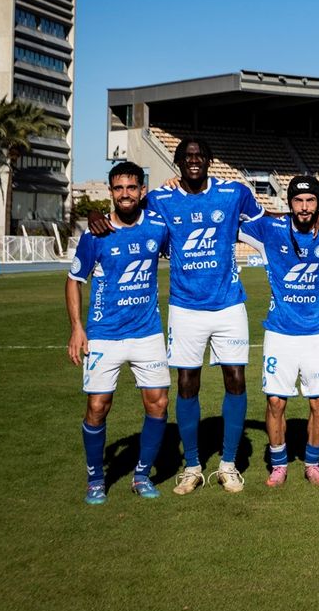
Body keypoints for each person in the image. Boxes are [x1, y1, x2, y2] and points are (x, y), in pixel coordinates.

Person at [87, 138, 269, 495]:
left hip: (229, 303)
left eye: (200, 155)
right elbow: (125, 212)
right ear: (177, 163)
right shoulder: (161, 199)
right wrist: (96, 215)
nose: (194, 161)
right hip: (185, 307)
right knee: (187, 383)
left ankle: (229, 465)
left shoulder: (234, 193)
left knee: (236, 379)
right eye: (187, 156)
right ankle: (192, 466)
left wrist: (318, 215)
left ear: (210, 160)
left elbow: (269, 225)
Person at [239, 176, 319, 486]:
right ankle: (278, 463)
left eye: (310, 201)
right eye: (298, 201)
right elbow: (235, 216)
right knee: (276, 402)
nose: (304, 207)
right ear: (288, 203)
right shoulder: (270, 230)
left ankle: (312, 463)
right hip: (280, 332)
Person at [67, 161, 173, 504]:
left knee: (158, 403)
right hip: (105, 334)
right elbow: (74, 280)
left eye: (131, 187)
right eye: (118, 188)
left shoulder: (158, 227)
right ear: (110, 192)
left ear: (142, 191)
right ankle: (96, 478)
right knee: (98, 406)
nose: (125, 194)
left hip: (147, 333)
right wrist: (77, 329)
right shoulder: (96, 234)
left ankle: (141, 475)